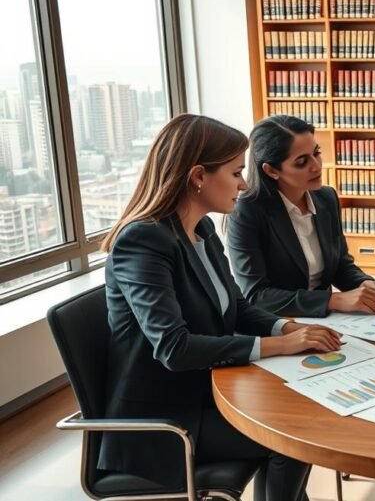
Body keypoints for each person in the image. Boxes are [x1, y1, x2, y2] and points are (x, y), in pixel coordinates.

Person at [101, 114, 342, 501]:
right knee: (292, 436)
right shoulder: (143, 241)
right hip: (167, 419)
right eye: (235, 173)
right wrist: (280, 346)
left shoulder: (203, 230)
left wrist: (287, 329)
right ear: (198, 176)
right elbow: (174, 348)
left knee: (300, 418)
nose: (245, 184)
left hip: (209, 391)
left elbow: (240, 307)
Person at [228, 115, 375, 317]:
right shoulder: (246, 211)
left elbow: (340, 265)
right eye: (301, 162)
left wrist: (366, 284)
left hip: (330, 320)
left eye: (317, 153)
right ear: (271, 170)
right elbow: (256, 295)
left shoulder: (326, 197)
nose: (316, 166)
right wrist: (333, 300)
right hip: (278, 323)